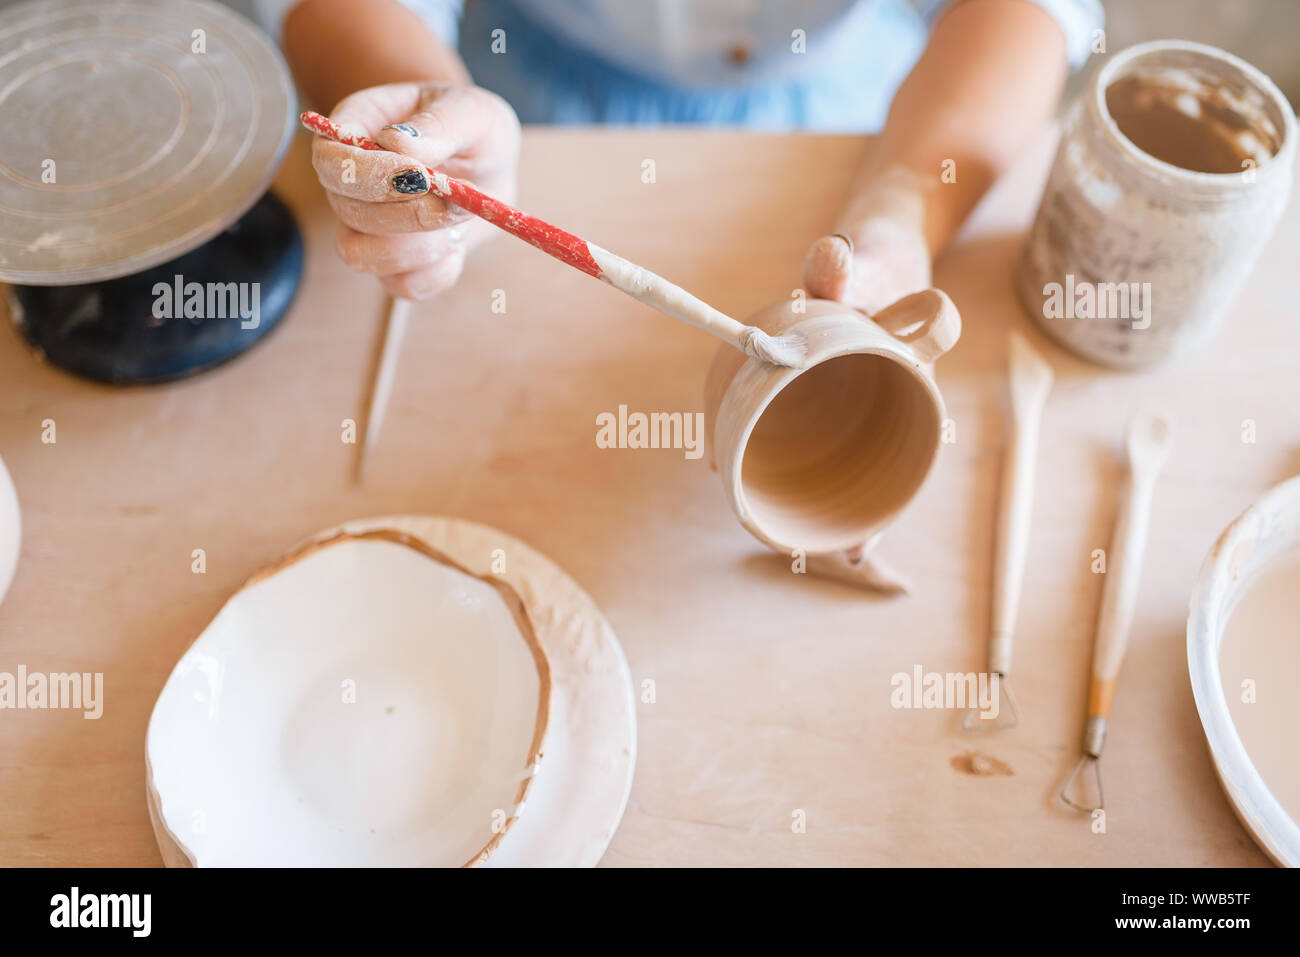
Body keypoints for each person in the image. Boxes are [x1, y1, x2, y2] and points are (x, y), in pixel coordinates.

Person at [265, 0, 1101, 310]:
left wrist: (906, 211)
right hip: (520, 79)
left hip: (874, 111)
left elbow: (1026, 12)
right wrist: (423, 112)